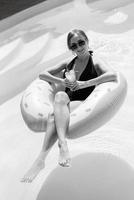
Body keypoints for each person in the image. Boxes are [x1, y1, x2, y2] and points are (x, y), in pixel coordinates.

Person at [21, 29, 117, 183]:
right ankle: (59, 147)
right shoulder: (69, 63)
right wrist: (60, 81)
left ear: (87, 41)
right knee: (59, 98)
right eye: (73, 46)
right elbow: (42, 74)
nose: (78, 47)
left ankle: (42, 158)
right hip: (66, 100)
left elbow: (112, 75)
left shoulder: (95, 61)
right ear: (70, 49)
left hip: (84, 100)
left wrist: (84, 83)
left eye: (81, 42)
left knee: (55, 112)